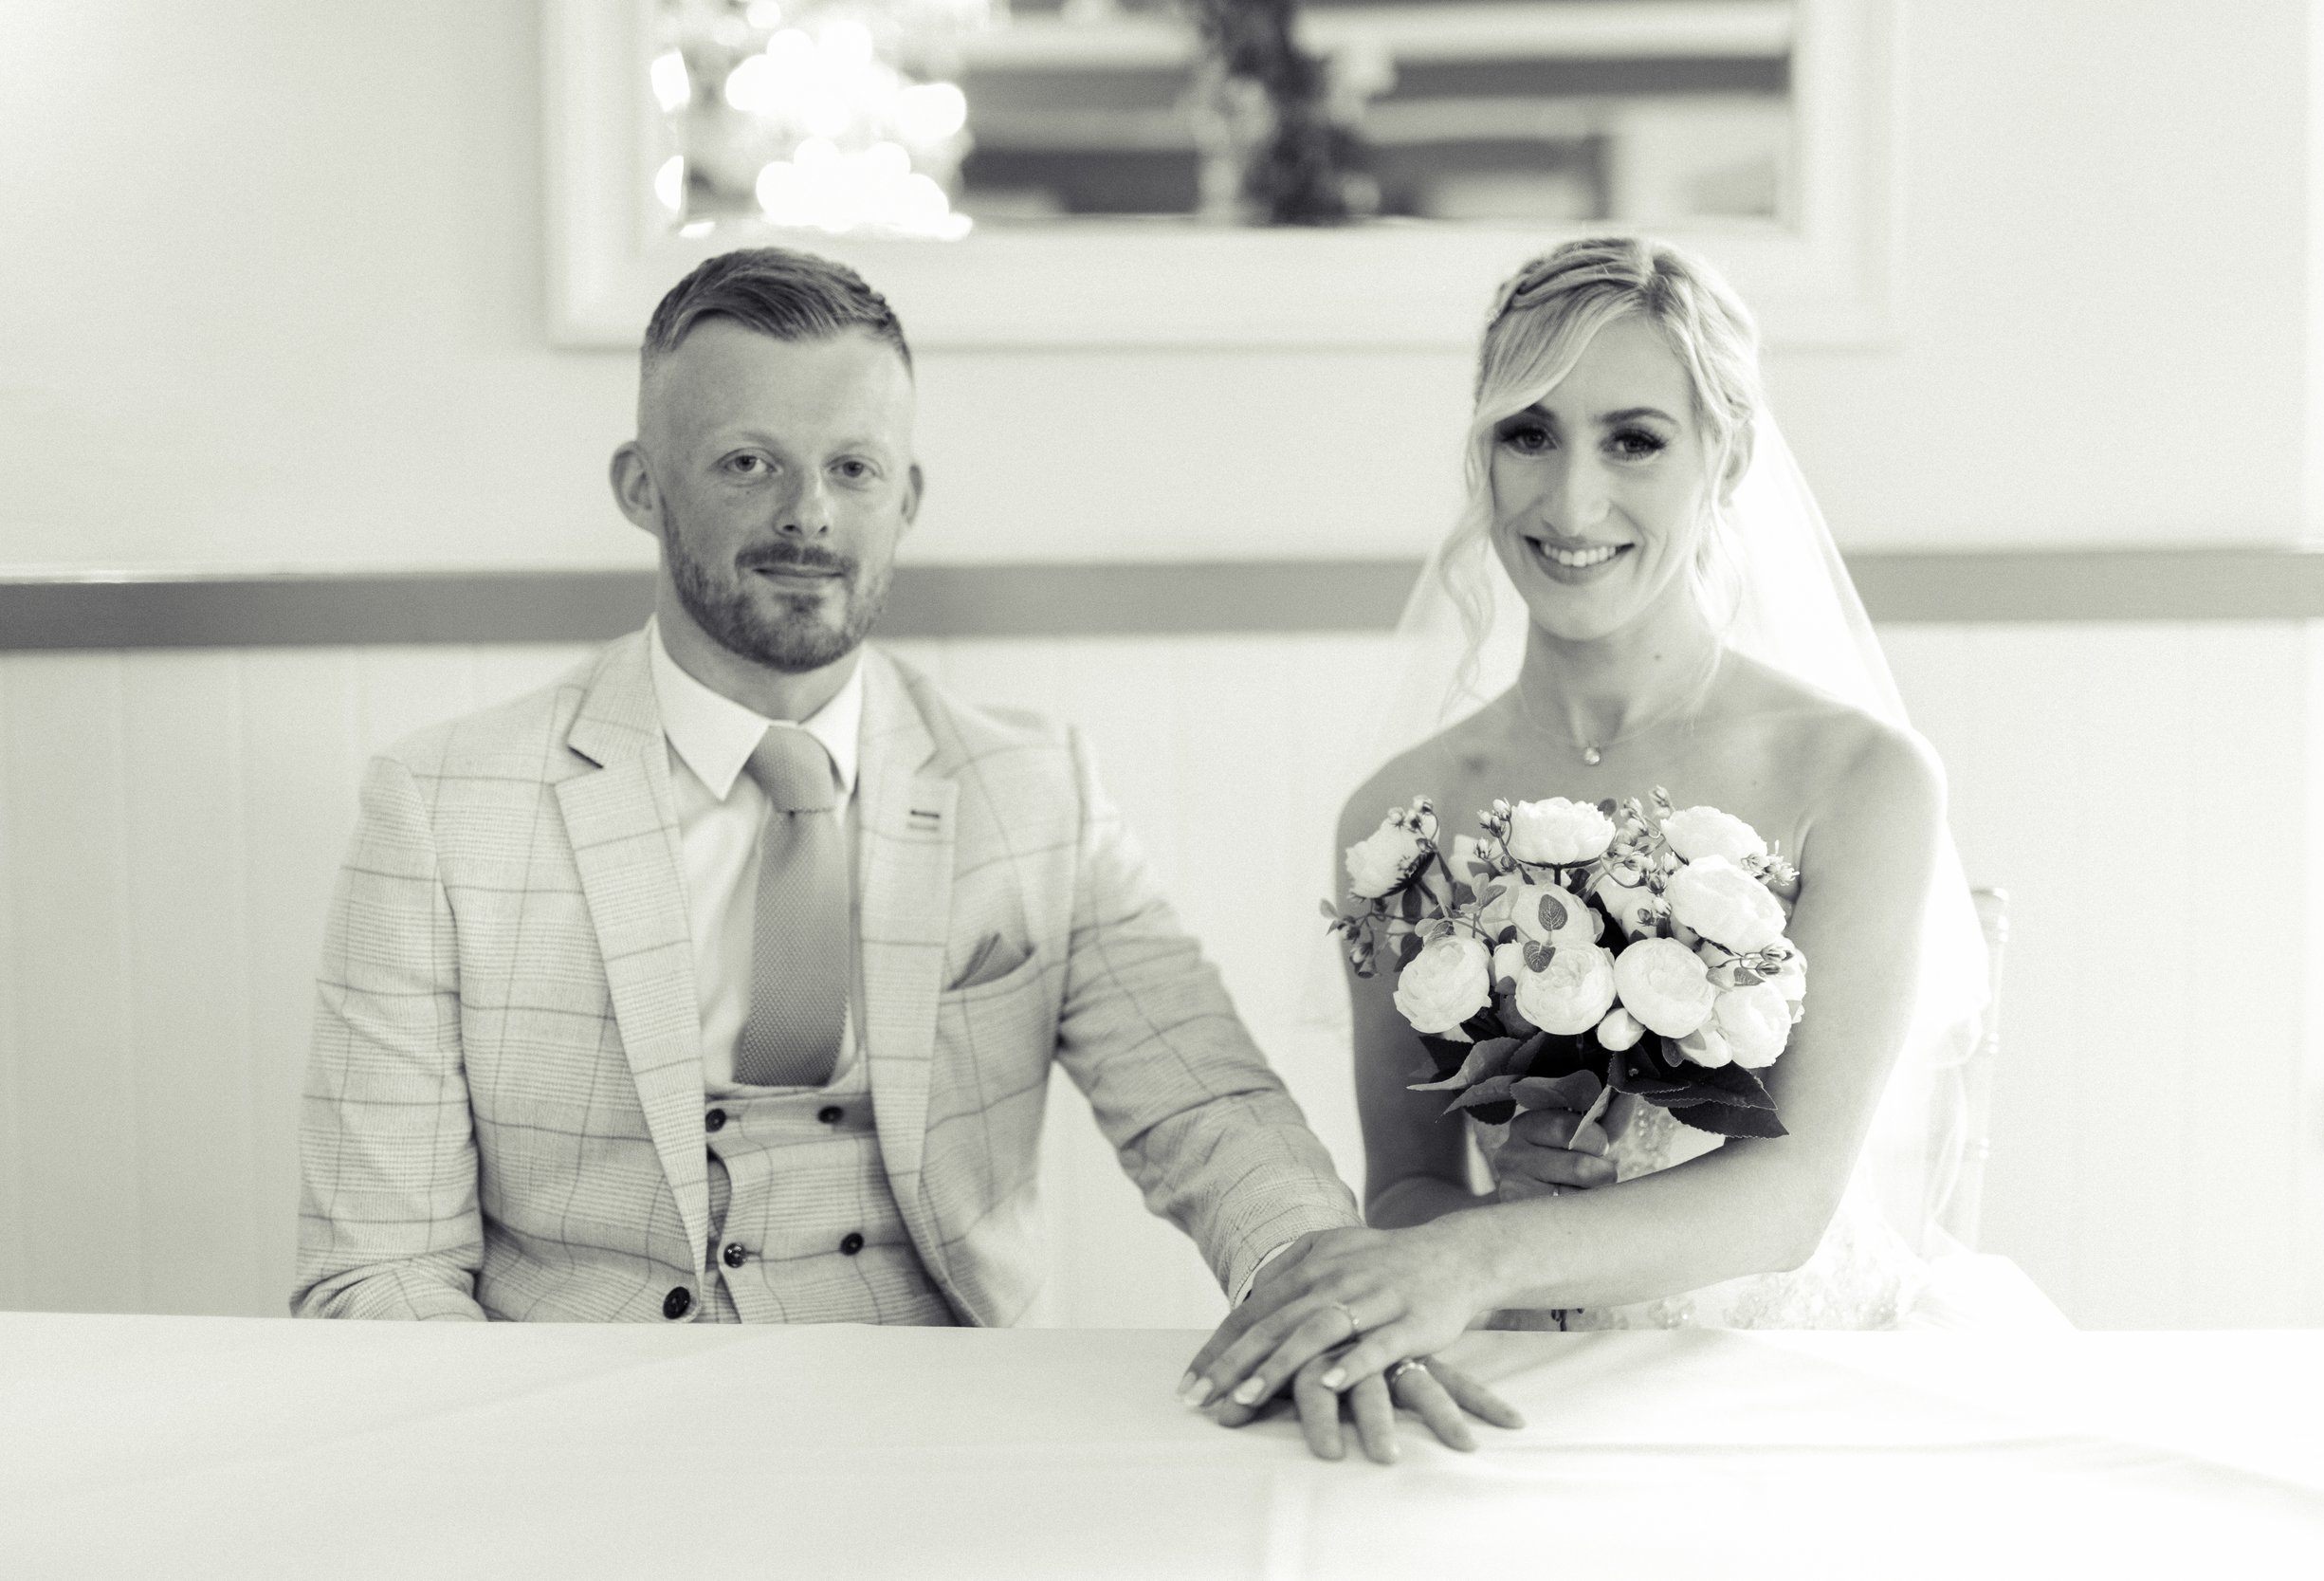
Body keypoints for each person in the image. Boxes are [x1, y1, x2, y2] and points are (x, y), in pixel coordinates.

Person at [293, 248, 1413, 1382]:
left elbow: (1208, 1108)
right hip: (577, 1434)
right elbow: (379, 1266)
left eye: (852, 468)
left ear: (906, 499)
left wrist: (1324, 1296)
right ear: (642, 485)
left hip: (942, 1428)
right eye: (747, 463)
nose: (808, 515)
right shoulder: (439, 809)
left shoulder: (1034, 791)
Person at [1180, 235, 1990, 1453]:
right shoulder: (1399, 818)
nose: (1569, 503)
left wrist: (1481, 1247)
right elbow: (1408, 1181)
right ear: (1482, 456)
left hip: (1794, 1386)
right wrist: (1481, 1215)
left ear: (1729, 459)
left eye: (1634, 439)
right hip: (1530, 1388)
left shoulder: (1859, 776)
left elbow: (1790, 1195)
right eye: (1528, 434)